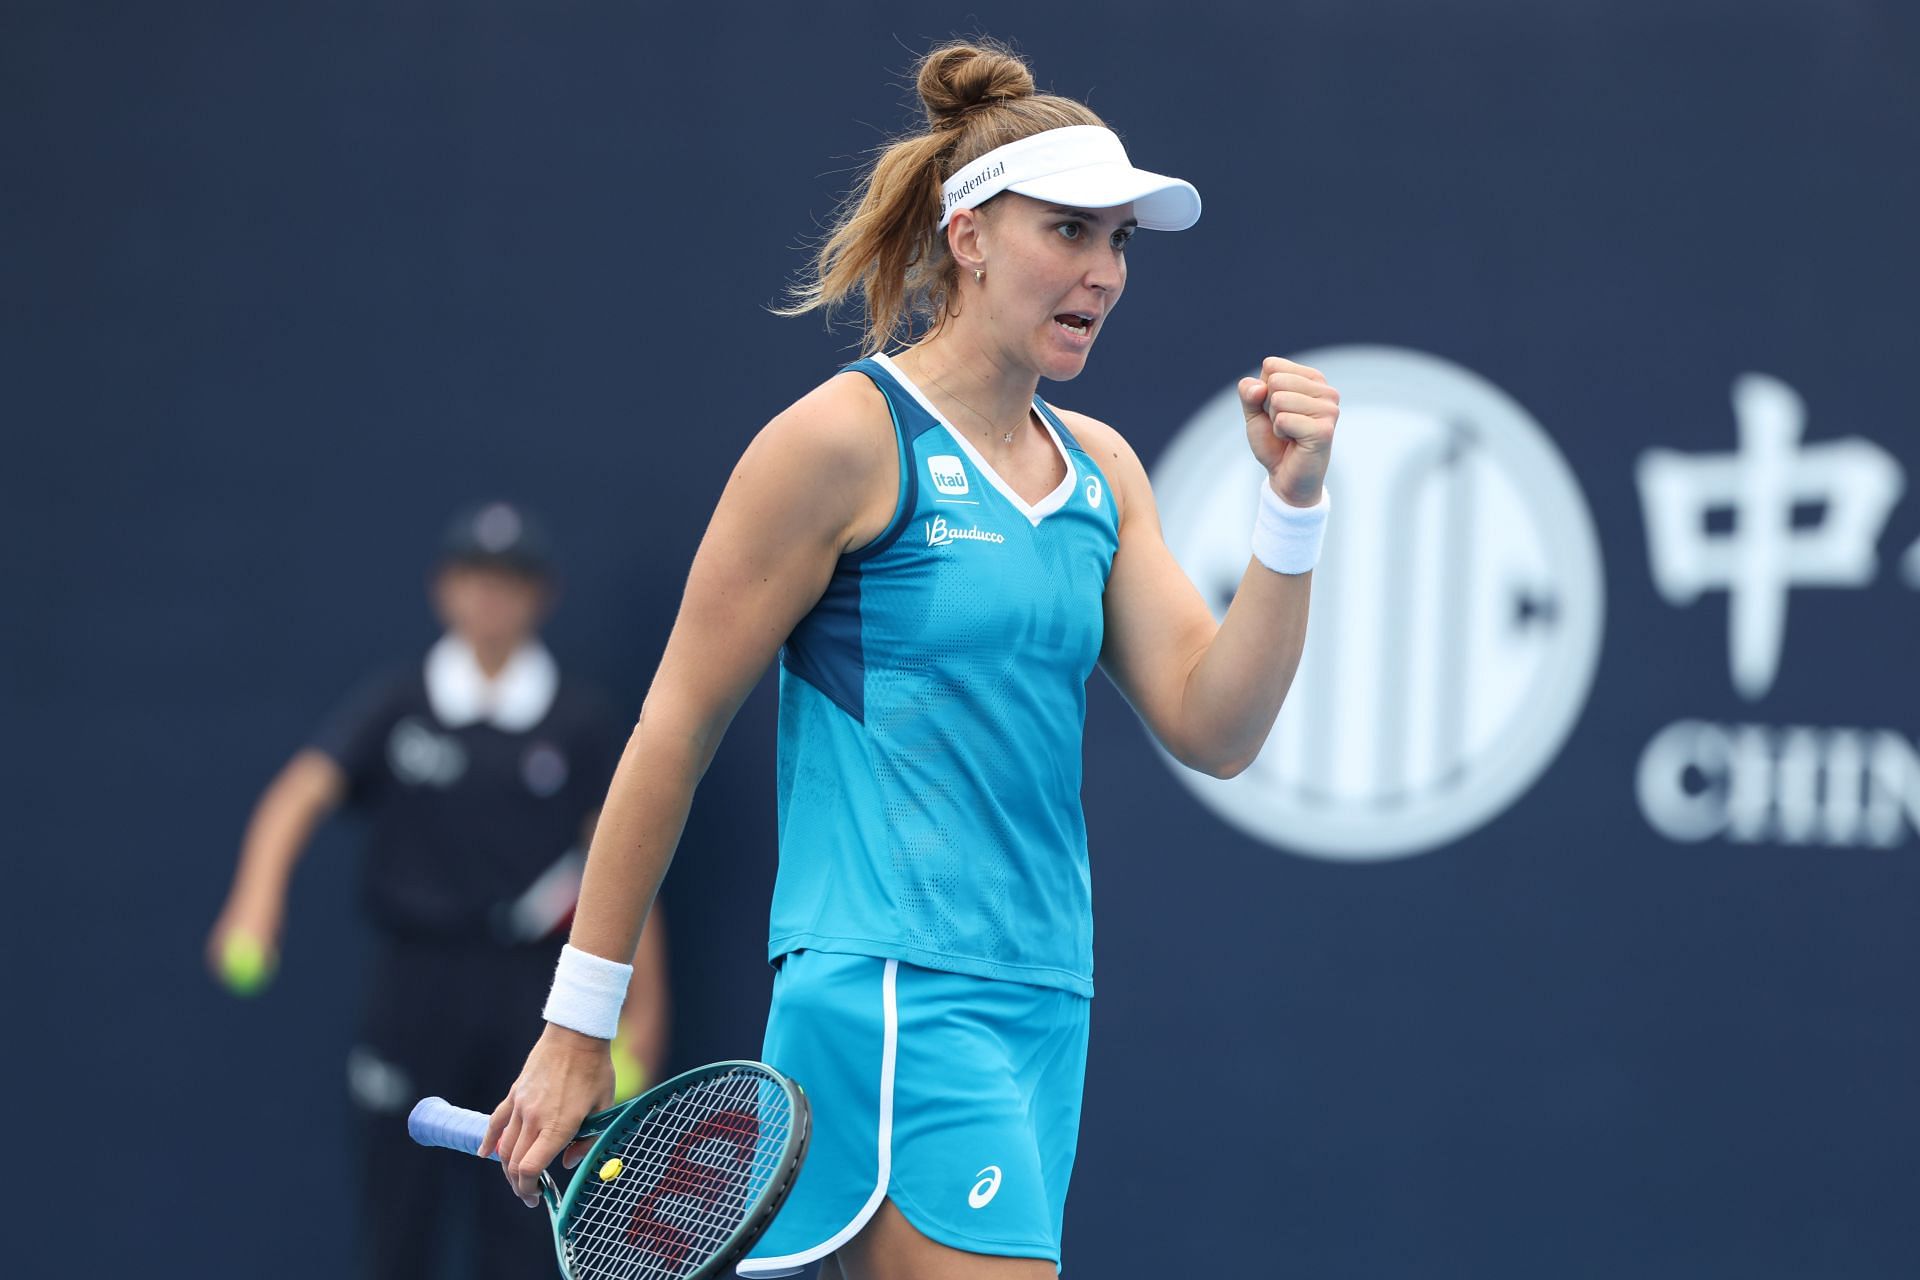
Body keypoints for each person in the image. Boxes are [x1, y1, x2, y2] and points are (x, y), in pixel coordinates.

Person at [484, 39, 1340, 1280]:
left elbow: (1220, 724)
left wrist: (1293, 511)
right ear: (970, 236)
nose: (1102, 272)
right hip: (892, 992)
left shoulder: (1102, 470)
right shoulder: (841, 439)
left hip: (1046, 995)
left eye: (1120, 244)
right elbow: (673, 729)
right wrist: (579, 1026)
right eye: (1069, 232)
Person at [206, 501, 669, 1280]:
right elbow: (296, 797)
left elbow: (618, 866)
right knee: (396, 1226)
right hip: (411, 989)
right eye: (475, 579)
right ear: (443, 589)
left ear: (541, 596)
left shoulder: (580, 722)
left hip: (530, 995)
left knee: (521, 1226)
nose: (491, 599)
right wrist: (255, 902)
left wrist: (645, 1009)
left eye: (511, 582)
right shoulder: (400, 702)